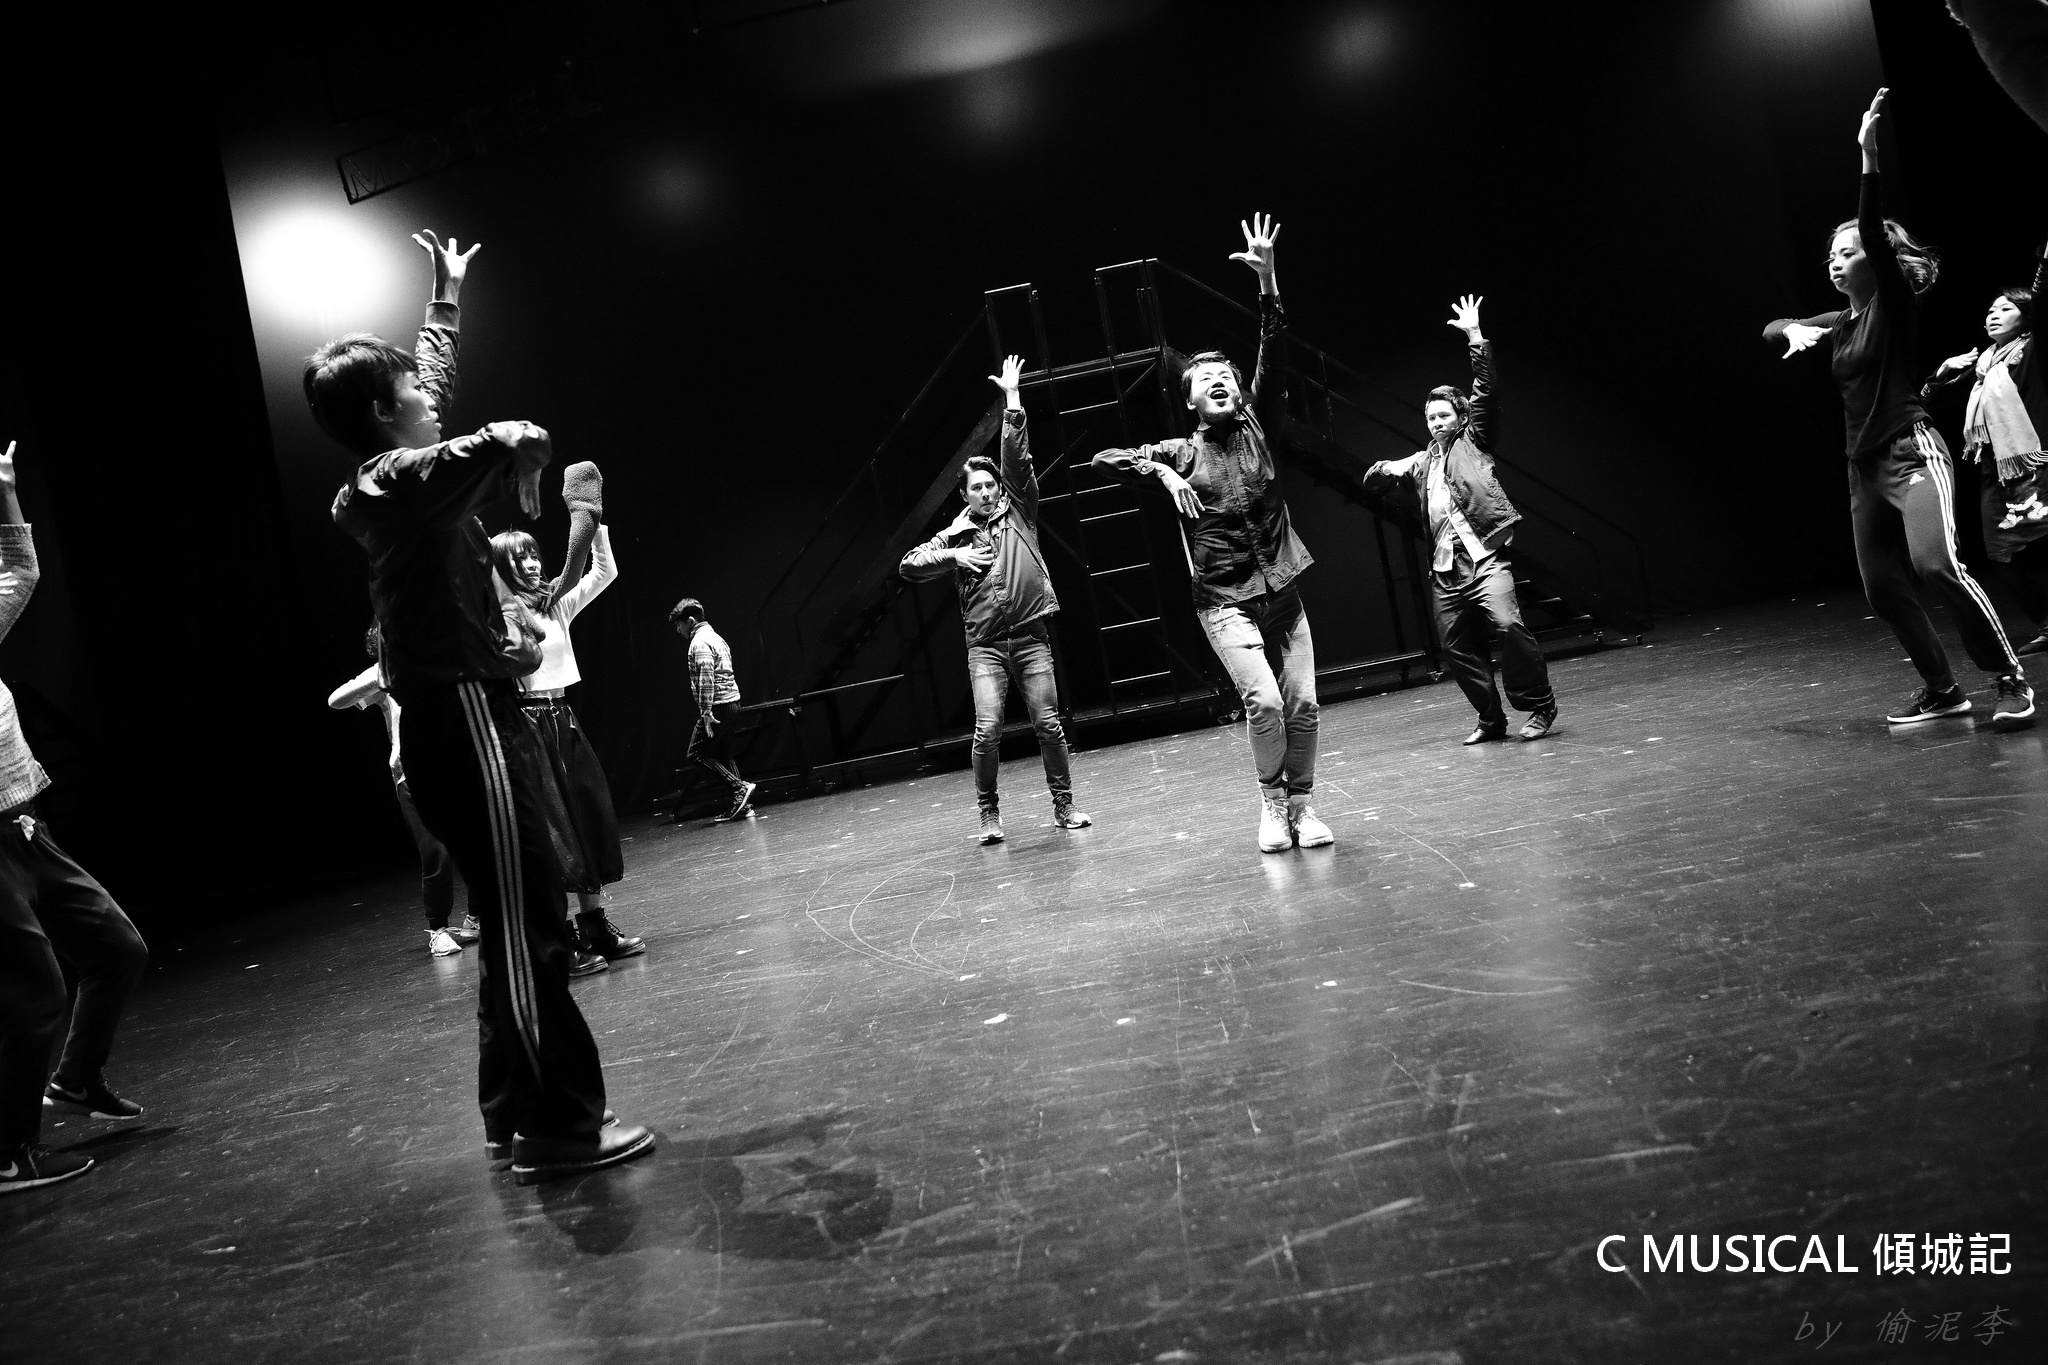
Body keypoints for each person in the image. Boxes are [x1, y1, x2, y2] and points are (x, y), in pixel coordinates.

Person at [310, 230, 651, 1184]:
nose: (430, 396)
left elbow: (433, 383)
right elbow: (516, 434)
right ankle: (558, 1125)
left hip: (464, 710)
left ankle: (509, 1113)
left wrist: (445, 300)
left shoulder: (395, 477)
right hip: (466, 719)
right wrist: (530, 464)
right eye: (412, 394)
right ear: (384, 414)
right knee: (530, 920)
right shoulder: (400, 480)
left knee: (510, 919)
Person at [1763, 89, 2033, 727]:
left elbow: (1878, 242)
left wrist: (1868, 159)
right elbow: (1772, 327)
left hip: (1912, 452)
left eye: (1848, 252)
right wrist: (1790, 330)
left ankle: (2009, 678)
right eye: (1832, 256)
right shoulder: (1840, 322)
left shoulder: (1893, 305)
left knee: (1936, 565)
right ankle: (1943, 690)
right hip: (1862, 467)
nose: (1836, 263)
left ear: (1874, 257)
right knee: (1883, 588)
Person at [1092, 214, 1333, 853]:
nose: (1220, 380)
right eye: (1205, 379)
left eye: (1226, 374)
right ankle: (1272, 805)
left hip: (1282, 591)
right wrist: (1160, 472)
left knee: (1304, 704)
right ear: (1190, 399)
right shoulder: (1181, 452)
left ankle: (1303, 807)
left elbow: (1274, 354)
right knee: (1266, 703)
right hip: (1224, 601)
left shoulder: (1260, 428)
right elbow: (1103, 459)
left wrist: (1268, 283)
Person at [0, 440, 150, 1195]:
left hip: (28, 828)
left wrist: (5, 490)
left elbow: (18, 573)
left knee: (117, 949)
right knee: (35, 994)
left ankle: (76, 1077)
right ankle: (8, 1151)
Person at [900, 355, 1093, 843]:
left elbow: (1017, 460)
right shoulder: (955, 534)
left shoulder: (1020, 510)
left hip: (1030, 639)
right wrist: (953, 555)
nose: (986, 492)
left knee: (1048, 725)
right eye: (977, 488)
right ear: (965, 495)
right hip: (984, 647)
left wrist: (1012, 399)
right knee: (987, 730)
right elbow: (908, 565)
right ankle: (988, 814)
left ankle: (1064, 805)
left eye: (990, 485)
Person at [1364, 296, 1557, 744]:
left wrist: (1474, 336)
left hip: (1485, 558)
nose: (1435, 422)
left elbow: (1487, 391)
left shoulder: (1474, 441)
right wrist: (1387, 468)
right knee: (1456, 646)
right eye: (1430, 417)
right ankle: (1491, 719)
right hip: (1446, 571)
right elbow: (1371, 484)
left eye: (1443, 415)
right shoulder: (1421, 461)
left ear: (1461, 416)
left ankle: (1539, 705)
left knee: (1508, 626)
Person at [490, 498, 647, 975]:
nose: (532, 564)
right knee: (552, 835)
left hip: (562, 719)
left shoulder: (554, 606)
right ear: (501, 568)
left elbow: (604, 572)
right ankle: (559, 942)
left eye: (534, 555)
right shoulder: (497, 617)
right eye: (520, 559)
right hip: (524, 725)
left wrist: (592, 520)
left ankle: (595, 926)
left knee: (585, 820)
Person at [1921, 255, 2048, 655]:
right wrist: (1940, 376)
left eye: (2006, 308)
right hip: (1998, 471)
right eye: (1991, 310)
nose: (1994, 314)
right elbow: (1927, 404)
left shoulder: (2035, 350)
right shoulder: (1981, 368)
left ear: (2027, 316)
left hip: (2039, 461)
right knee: (2001, 553)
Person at [329, 625, 477, 957]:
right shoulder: (382, 674)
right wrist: (382, 676)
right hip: (411, 776)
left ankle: (477, 917)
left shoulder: (435, 658)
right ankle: (438, 929)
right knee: (436, 852)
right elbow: (336, 700)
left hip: (454, 767)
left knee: (474, 842)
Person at [668, 599, 755, 822]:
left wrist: (706, 712)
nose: (678, 630)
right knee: (723, 755)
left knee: (696, 754)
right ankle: (742, 806)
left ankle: (739, 788)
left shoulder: (699, 642)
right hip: (732, 703)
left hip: (718, 706)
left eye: (679, 625)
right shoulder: (716, 637)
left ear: (690, 620)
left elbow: (706, 676)